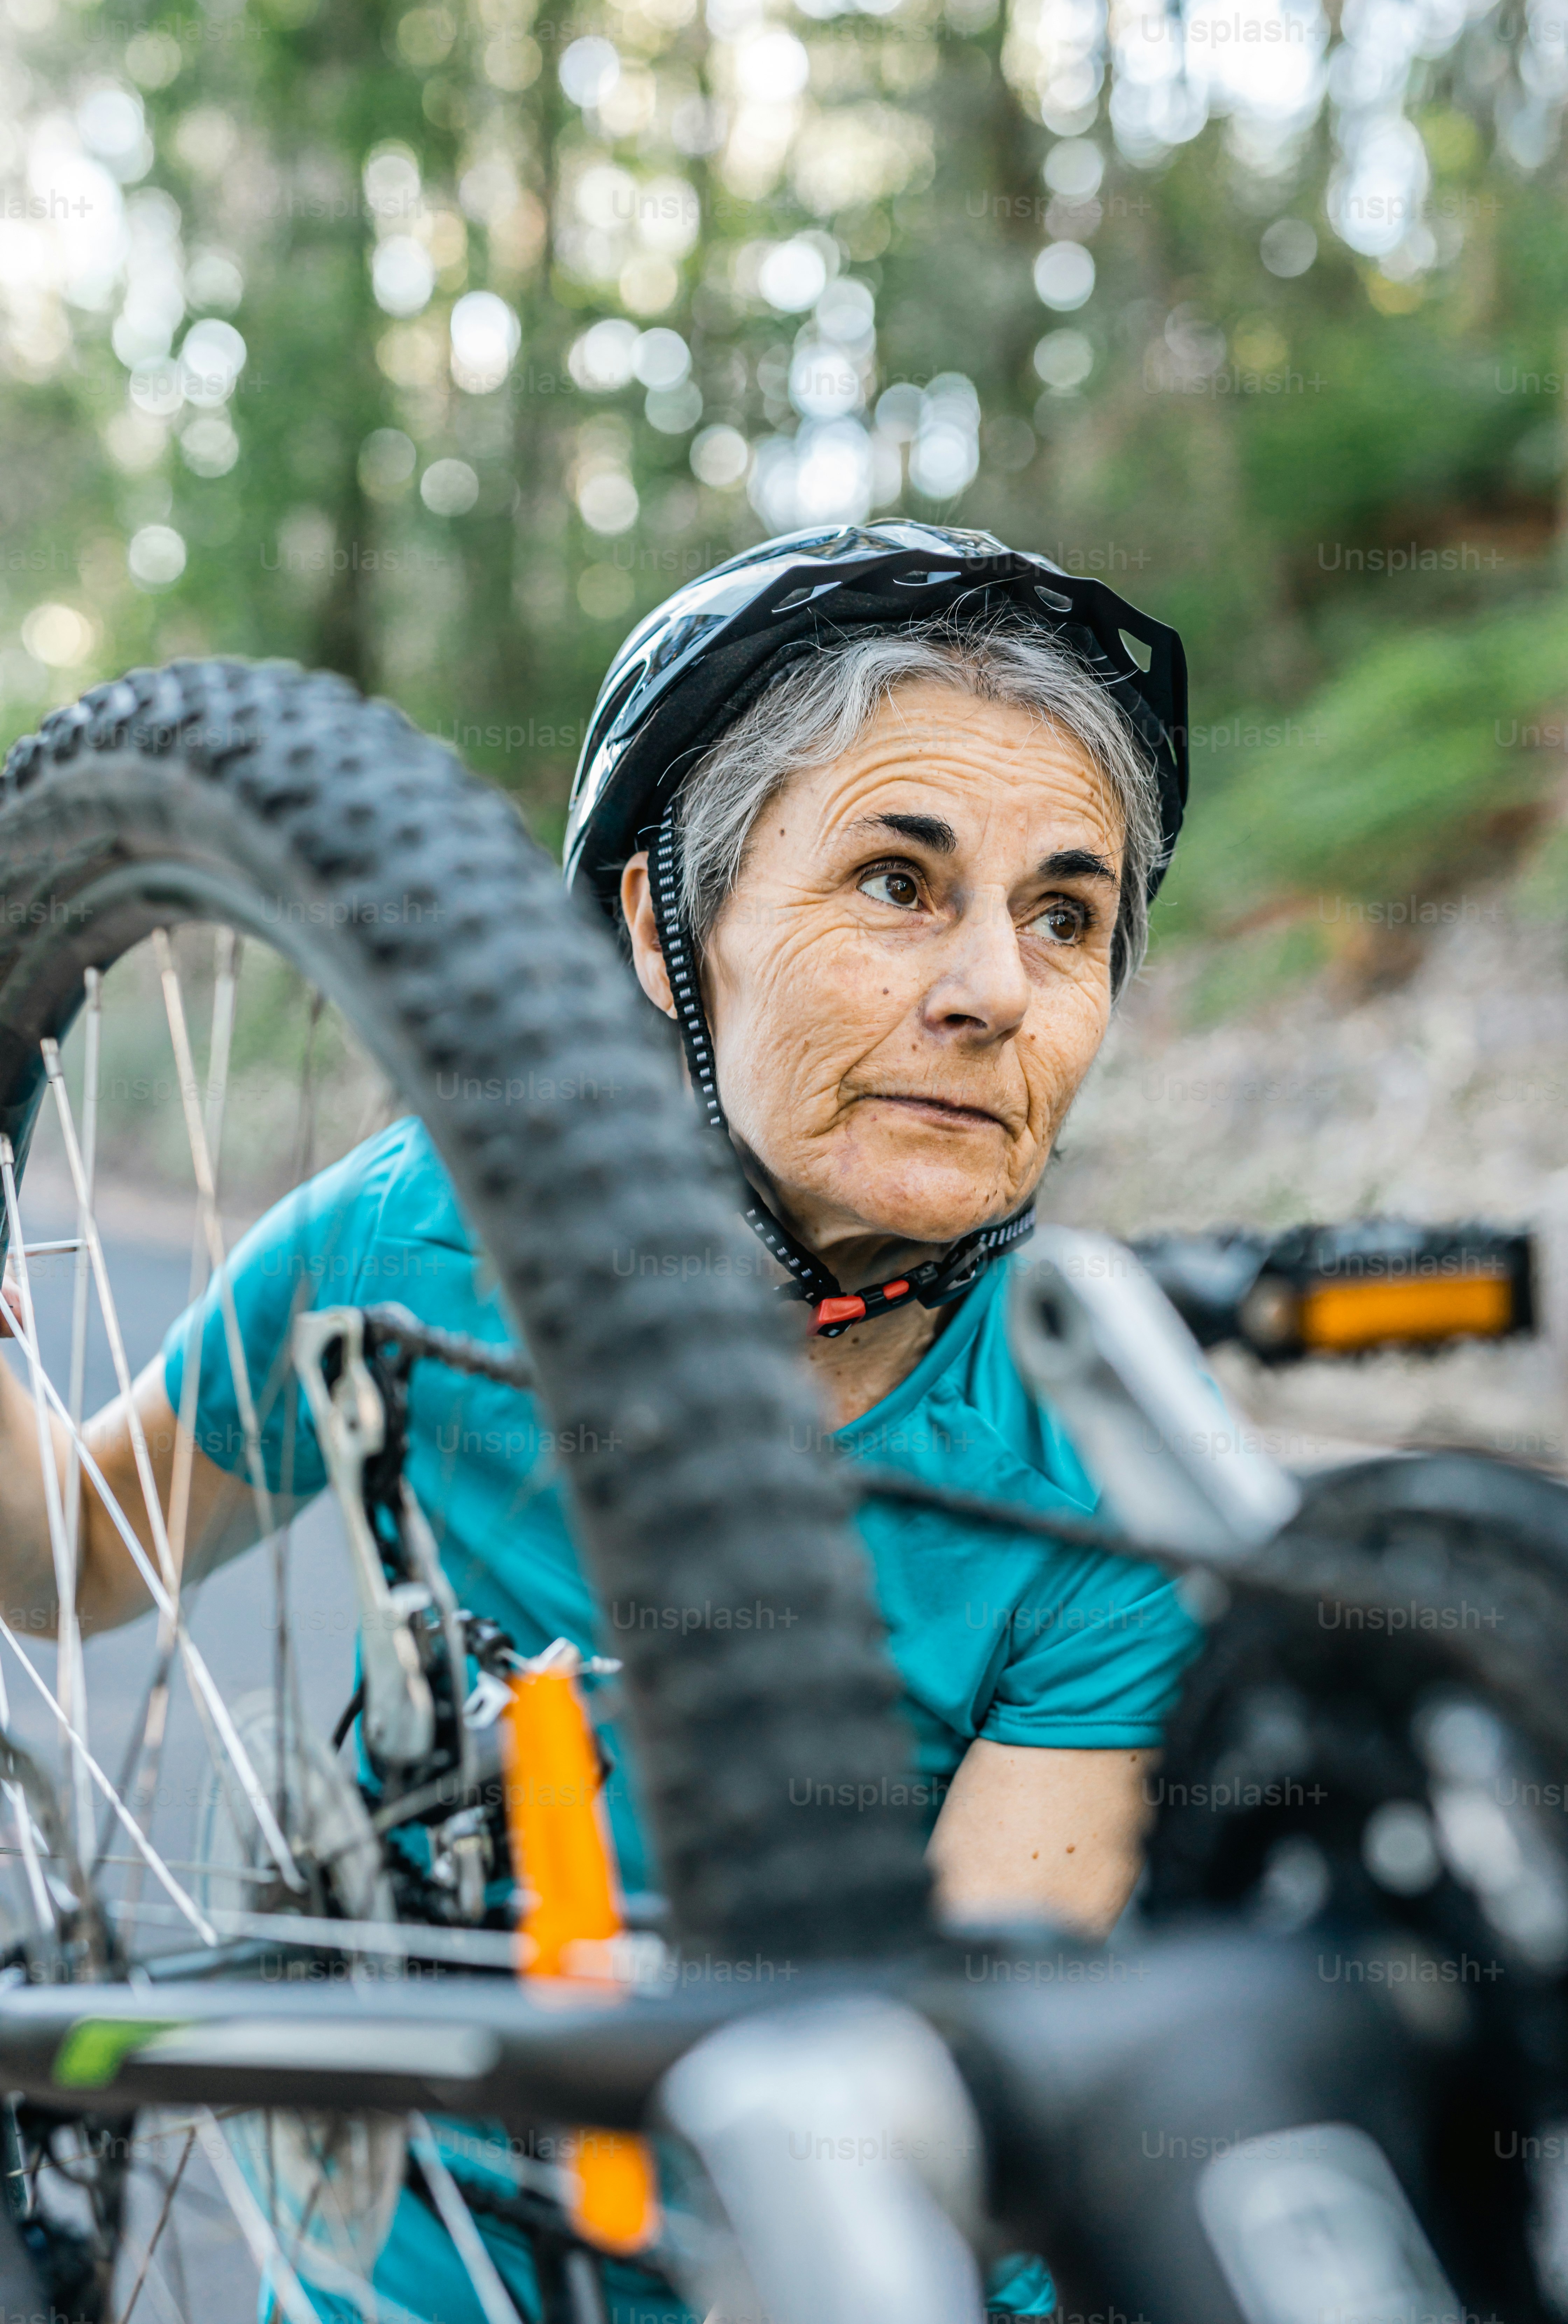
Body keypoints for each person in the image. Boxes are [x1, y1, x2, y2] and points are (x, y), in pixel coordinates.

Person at [0, 520, 1204, 2323]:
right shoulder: (418, 1236)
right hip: (411, 2269)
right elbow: (72, 1562)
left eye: (1064, 916)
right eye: (896, 880)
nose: (994, 992)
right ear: (660, 926)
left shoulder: (1097, 1477)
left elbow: (947, 2116)